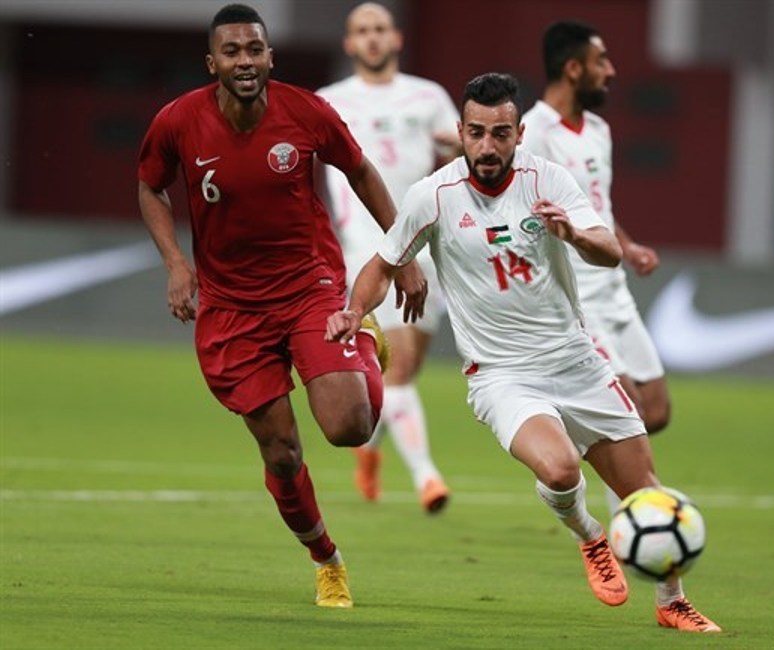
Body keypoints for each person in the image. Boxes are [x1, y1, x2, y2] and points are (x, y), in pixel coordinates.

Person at [326, 72, 721, 632]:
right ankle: (590, 536)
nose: (488, 146)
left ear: (519, 134)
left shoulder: (547, 180)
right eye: (477, 133)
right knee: (560, 469)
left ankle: (671, 602)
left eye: (501, 134)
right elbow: (382, 264)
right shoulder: (433, 195)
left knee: (646, 494)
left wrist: (575, 236)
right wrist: (353, 310)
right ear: (461, 132)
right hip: (502, 375)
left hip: (576, 361)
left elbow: (608, 249)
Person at [137, 3, 426, 609]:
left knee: (350, 427)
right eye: (232, 52)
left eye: (254, 50)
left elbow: (361, 171)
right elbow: (150, 185)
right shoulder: (178, 121)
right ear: (212, 62)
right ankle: (326, 559)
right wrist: (176, 263)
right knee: (282, 451)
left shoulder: (307, 112)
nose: (245, 61)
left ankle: (362, 338)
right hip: (231, 309)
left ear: (270, 56)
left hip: (308, 288)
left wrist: (400, 253)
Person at [521, 22, 670, 514]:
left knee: (655, 410)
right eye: (601, 60)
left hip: (614, 289)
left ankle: (565, 431)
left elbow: (596, 207)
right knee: (623, 408)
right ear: (573, 68)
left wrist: (627, 245)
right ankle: (634, 523)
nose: (611, 70)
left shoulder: (600, 131)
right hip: (575, 297)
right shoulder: (533, 133)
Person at [316, 2, 458, 513]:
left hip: (425, 249)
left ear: (396, 38)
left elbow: (459, 158)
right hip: (364, 251)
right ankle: (427, 478)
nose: (372, 38)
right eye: (362, 31)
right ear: (349, 43)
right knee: (395, 372)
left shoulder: (428, 96)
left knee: (405, 370)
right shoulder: (328, 101)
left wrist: (460, 150)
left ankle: (370, 450)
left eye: (380, 29)